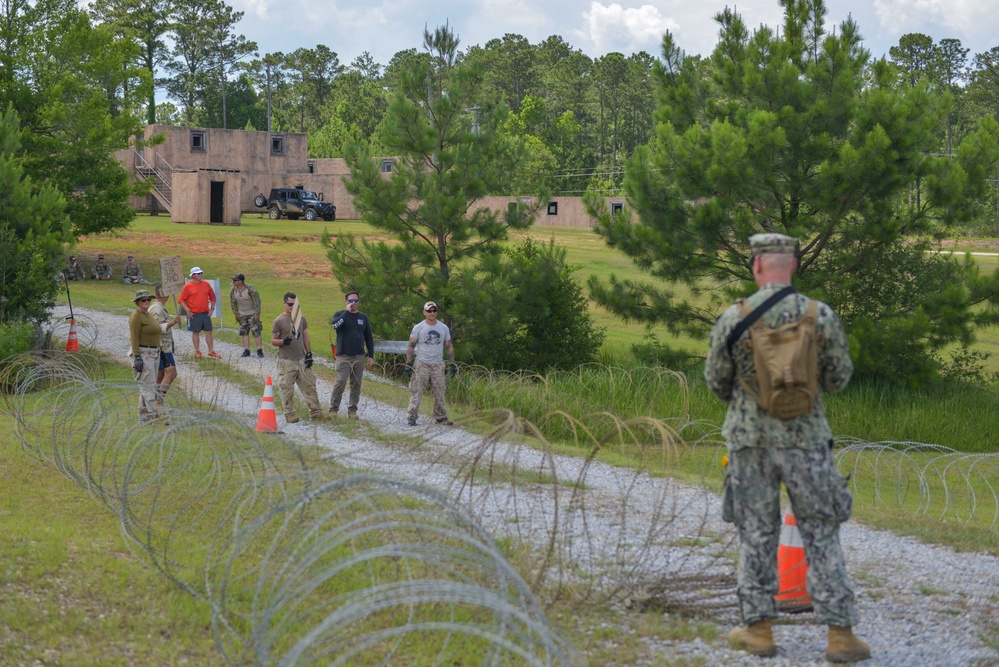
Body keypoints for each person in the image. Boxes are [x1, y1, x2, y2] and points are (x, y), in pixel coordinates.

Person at [704, 233, 869, 663]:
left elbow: (717, 382)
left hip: (750, 442)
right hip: (808, 441)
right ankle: (840, 635)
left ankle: (758, 630)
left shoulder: (732, 318)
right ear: (793, 264)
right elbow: (839, 378)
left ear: (756, 267)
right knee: (821, 532)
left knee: (756, 533)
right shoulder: (821, 316)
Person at [270, 293, 324, 423]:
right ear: (284, 304)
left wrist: (309, 353)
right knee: (287, 388)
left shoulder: (301, 319)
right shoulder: (278, 321)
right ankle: (289, 414)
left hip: (301, 359)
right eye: (290, 304)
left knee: (310, 385)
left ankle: (316, 412)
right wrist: (283, 341)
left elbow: (305, 335)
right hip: (286, 360)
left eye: (295, 304)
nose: (292, 307)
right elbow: (273, 340)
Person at [404, 301, 456, 427]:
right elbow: (411, 346)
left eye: (434, 310)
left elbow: (449, 346)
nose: (432, 313)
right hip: (422, 363)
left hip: (438, 364)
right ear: (424, 312)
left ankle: (441, 417)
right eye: (429, 311)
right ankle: (412, 416)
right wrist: (408, 363)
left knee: (440, 392)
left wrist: (452, 363)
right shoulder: (419, 328)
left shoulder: (443, 328)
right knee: (417, 391)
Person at [329, 291, 375, 419]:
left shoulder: (363, 317)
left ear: (358, 302)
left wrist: (370, 355)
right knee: (341, 381)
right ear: (346, 302)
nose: (353, 303)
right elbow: (335, 326)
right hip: (344, 355)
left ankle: (352, 410)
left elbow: (369, 337)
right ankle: (333, 409)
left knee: (356, 384)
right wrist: (346, 312)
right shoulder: (340, 315)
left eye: (355, 301)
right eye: (350, 301)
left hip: (359, 356)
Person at [129, 289, 162, 423]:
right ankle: (154, 415)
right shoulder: (136, 316)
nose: (147, 302)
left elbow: (157, 329)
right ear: (137, 302)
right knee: (148, 386)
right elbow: (134, 338)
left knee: (149, 384)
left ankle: (144, 417)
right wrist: (137, 357)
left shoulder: (147, 314)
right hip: (144, 353)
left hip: (154, 352)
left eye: (148, 299)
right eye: (144, 300)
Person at [149, 284, 182, 410]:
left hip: (161, 345)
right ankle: (159, 400)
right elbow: (157, 328)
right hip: (162, 346)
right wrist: (172, 322)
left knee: (161, 373)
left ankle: (153, 398)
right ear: (163, 294)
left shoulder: (159, 307)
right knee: (172, 373)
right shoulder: (157, 309)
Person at [177, 266, 220, 359]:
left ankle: (211, 351)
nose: (200, 275)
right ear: (193, 275)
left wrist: (212, 309)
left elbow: (213, 297)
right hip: (194, 313)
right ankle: (198, 351)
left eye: (201, 273)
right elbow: (181, 299)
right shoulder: (188, 286)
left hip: (205, 313)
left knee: (209, 332)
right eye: (198, 273)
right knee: (196, 332)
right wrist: (187, 310)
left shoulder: (206, 284)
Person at [229, 273, 264, 358]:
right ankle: (246, 350)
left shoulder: (250, 289)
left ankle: (259, 350)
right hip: (242, 314)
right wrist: (236, 313)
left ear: (240, 281)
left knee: (256, 331)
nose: (233, 282)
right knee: (243, 331)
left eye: (235, 280)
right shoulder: (233, 290)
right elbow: (233, 302)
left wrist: (257, 313)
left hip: (252, 313)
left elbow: (257, 301)